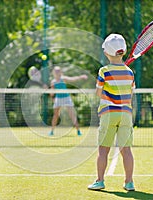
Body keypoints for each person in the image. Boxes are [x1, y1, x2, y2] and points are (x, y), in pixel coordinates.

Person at [88, 34, 135, 191]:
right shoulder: (130, 73)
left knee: (103, 149)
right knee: (126, 150)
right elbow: (131, 94)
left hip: (109, 114)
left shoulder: (104, 71)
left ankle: (100, 181)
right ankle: (129, 182)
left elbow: (98, 92)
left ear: (107, 53)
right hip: (126, 114)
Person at [49, 66, 87, 136]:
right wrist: (52, 98)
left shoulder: (63, 78)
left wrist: (81, 77)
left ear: (60, 72)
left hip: (66, 98)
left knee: (72, 115)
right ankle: (51, 131)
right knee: (56, 116)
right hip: (58, 98)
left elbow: (73, 79)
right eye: (56, 71)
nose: (57, 72)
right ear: (53, 73)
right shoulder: (53, 82)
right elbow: (52, 93)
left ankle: (78, 131)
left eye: (58, 71)